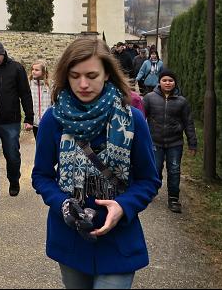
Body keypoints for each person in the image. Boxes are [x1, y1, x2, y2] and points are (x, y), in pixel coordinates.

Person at [31, 37, 160, 289]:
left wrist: (123, 206)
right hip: (70, 238)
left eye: (91, 75)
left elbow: (148, 180)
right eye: (75, 75)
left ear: (108, 74)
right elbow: (42, 176)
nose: (83, 84)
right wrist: (63, 204)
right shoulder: (53, 120)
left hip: (119, 239)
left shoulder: (132, 119)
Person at [0, 40, 34, 209]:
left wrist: (29, 118)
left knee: (12, 155)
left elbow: (25, 94)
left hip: (11, 120)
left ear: (3, 54)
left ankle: (14, 180)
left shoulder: (16, 68)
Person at [142, 69, 197, 213]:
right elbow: (141, 119)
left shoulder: (182, 102)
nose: (167, 83)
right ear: (159, 82)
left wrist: (192, 142)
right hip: (155, 141)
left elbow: (188, 123)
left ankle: (173, 198)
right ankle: (152, 190)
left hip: (175, 143)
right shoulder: (149, 98)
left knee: (174, 170)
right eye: (164, 80)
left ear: (175, 83)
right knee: (155, 169)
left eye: (171, 80)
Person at [29, 59, 53, 138]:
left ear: (43, 72)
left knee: (48, 142)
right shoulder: (29, 84)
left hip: (48, 121)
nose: (33, 71)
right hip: (35, 122)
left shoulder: (50, 85)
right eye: (32, 69)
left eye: (36, 70)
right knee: (38, 142)